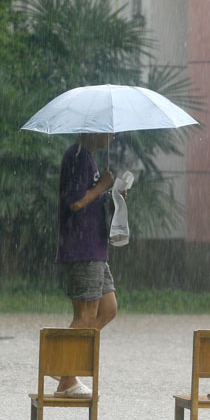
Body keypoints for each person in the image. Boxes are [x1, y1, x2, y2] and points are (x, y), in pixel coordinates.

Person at [54, 132, 120, 398]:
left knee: (108, 308)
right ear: (94, 129)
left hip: (96, 247)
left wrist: (112, 193)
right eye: (109, 130)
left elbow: (89, 198)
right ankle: (64, 373)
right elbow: (76, 201)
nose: (113, 136)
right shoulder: (78, 156)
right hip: (82, 248)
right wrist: (102, 186)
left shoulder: (89, 158)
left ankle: (63, 369)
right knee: (86, 316)